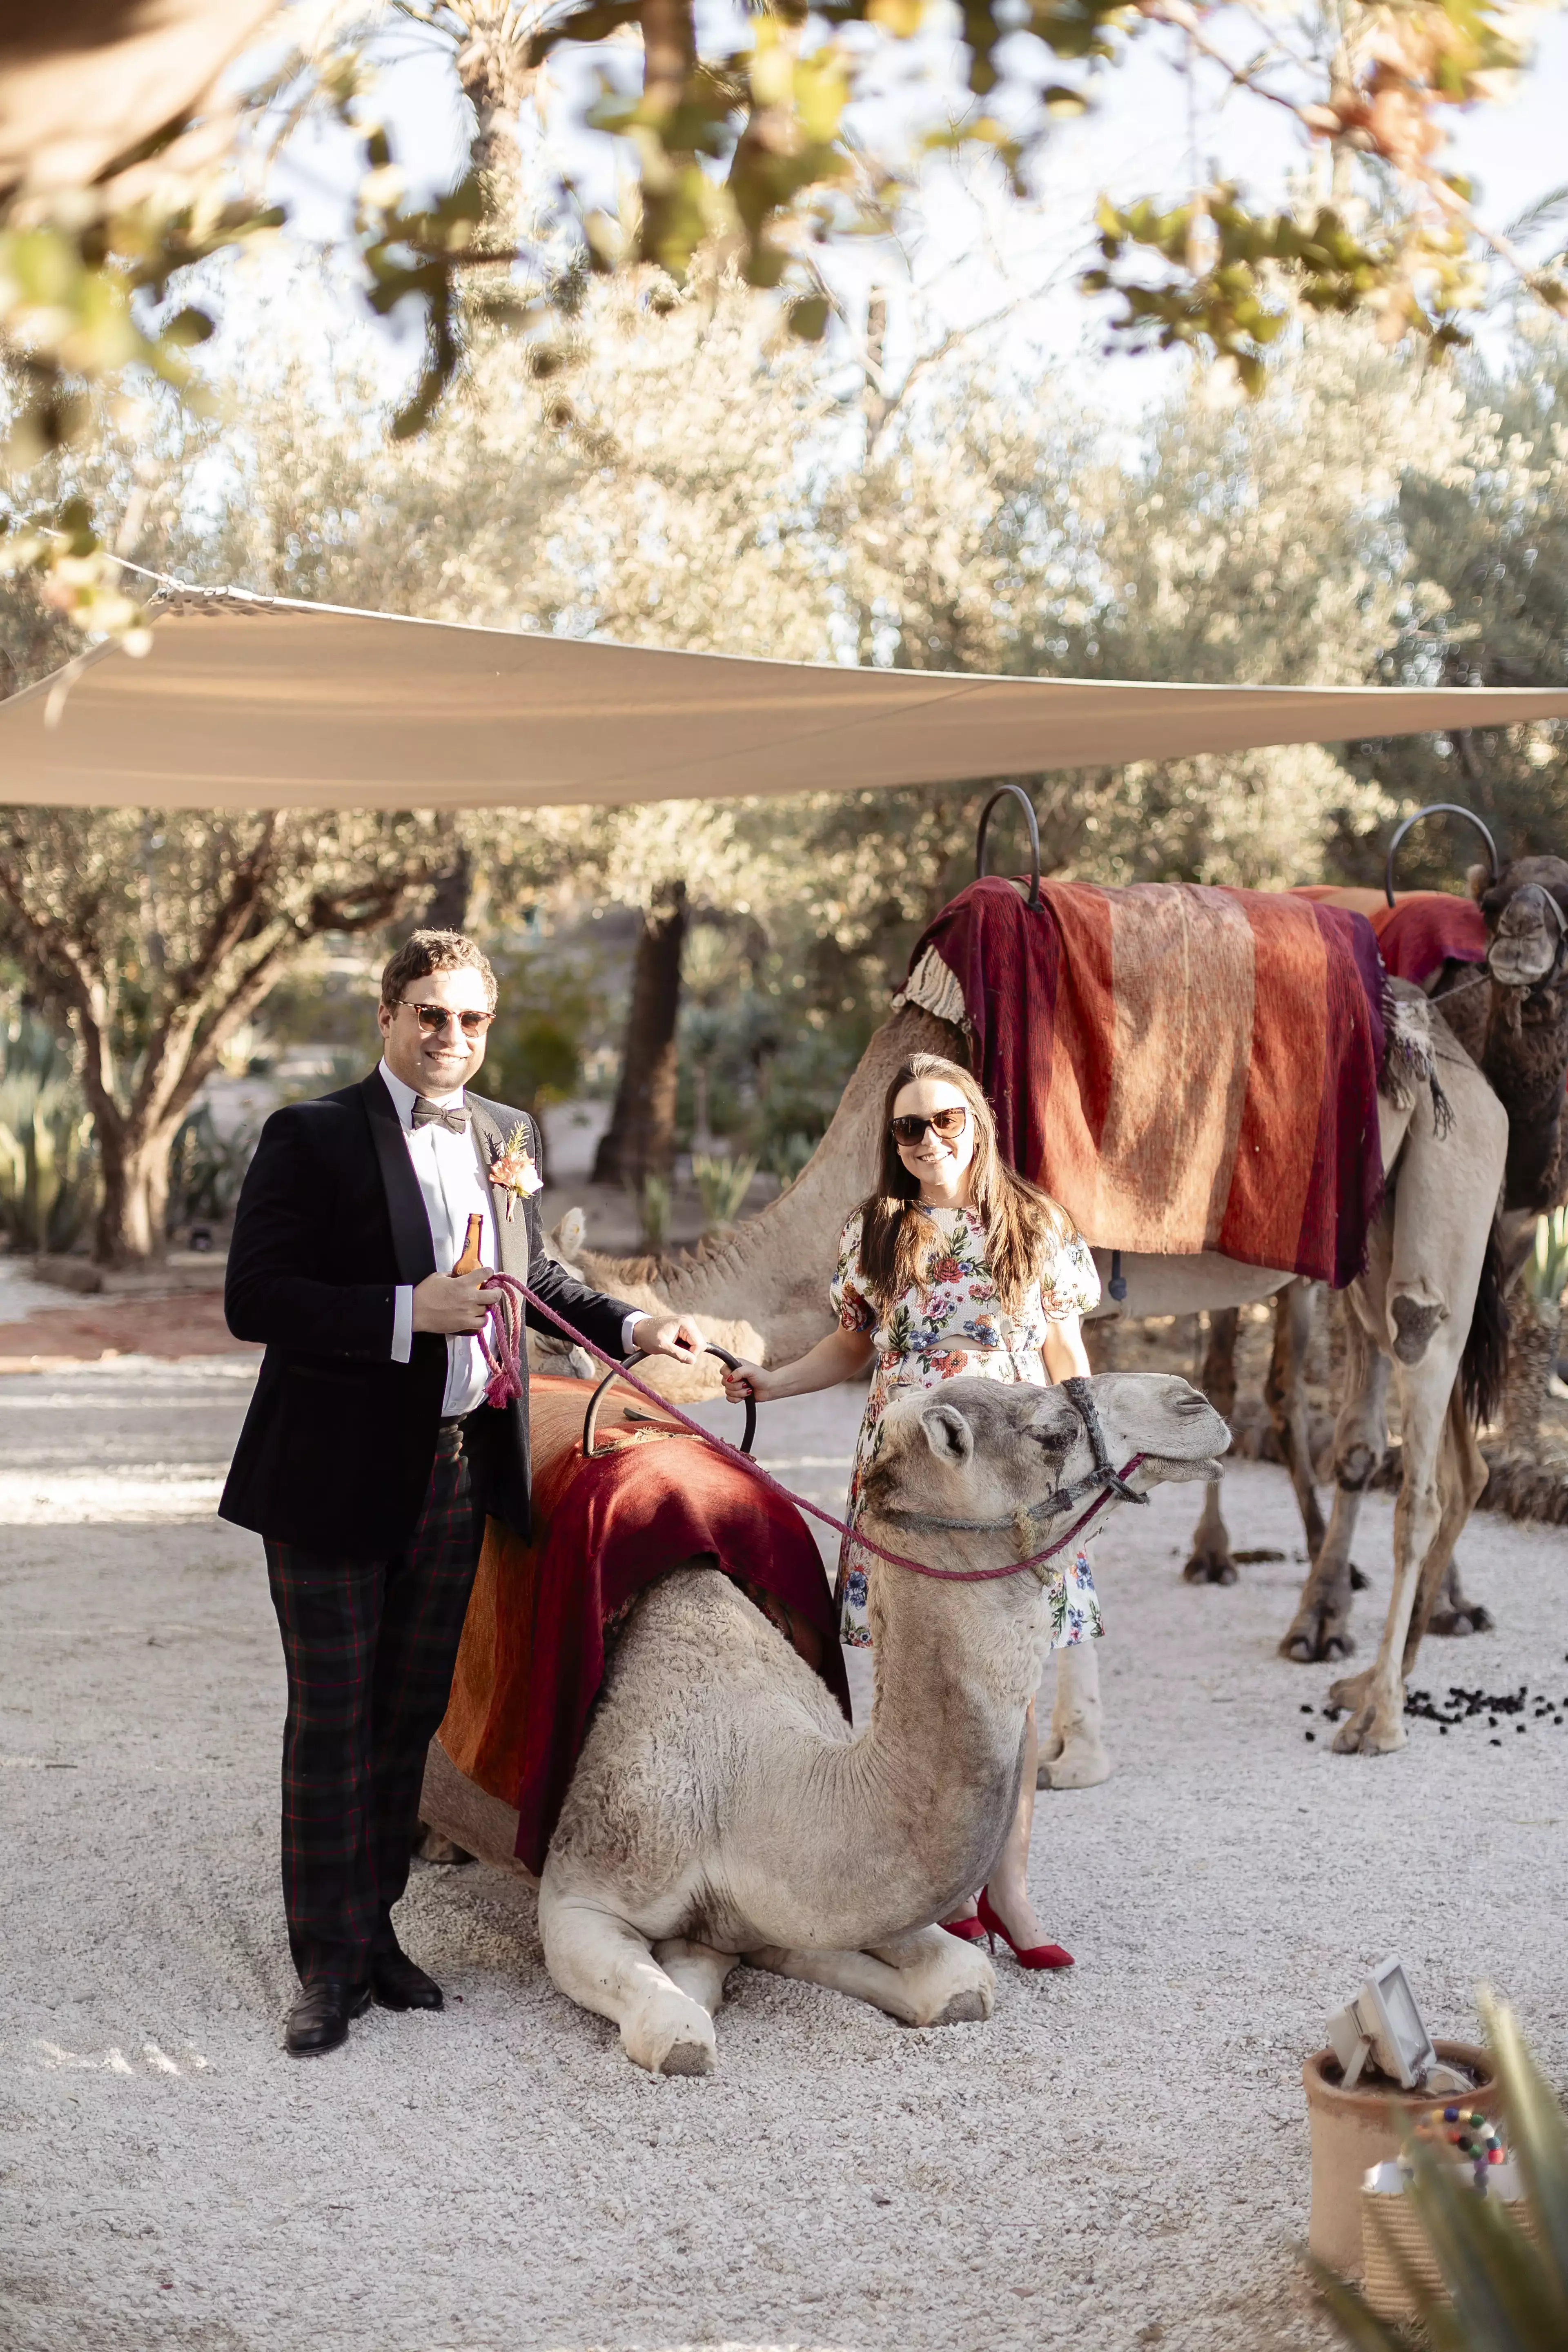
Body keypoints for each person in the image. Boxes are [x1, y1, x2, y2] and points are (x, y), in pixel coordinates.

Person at [220, 929, 703, 2056]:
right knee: (331, 1726)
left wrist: (634, 1325)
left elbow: (531, 1277)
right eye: (431, 1015)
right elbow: (257, 1295)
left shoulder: (505, 1134)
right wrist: (405, 1314)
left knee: (404, 1721)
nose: (453, 1038)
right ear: (387, 1016)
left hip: (456, 1470)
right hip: (329, 1475)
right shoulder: (313, 1134)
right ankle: (324, 1967)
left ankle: (376, 1931)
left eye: (471, 1020)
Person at [721, 1051, 1099, 1969]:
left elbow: (1065, 1353)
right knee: (918, 1684)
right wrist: (770, 1383)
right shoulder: (879, 1231)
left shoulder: (1035, 1225)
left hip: (1008, 1486)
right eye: (910, 1128)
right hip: (908, 1489)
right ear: (893, 1143)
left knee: (1013, 1689)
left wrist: (1086, 1459)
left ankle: (1008, 1890)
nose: (931, 1141)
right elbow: (852, 1349)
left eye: (948, 1119)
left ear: (979, 1121)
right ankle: (941, 1885)